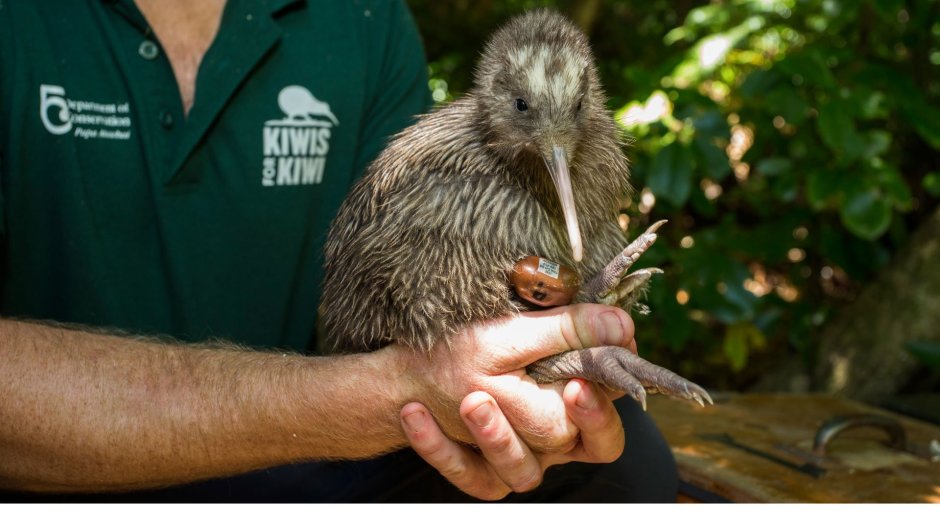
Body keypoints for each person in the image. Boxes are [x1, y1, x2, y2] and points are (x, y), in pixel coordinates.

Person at [0, 0, 677, 501]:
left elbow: (407, 289)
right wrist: (381, 396)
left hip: (304, 463)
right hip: (52, 480)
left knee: (618, 465)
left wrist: (525, 352)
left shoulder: (361, 20)